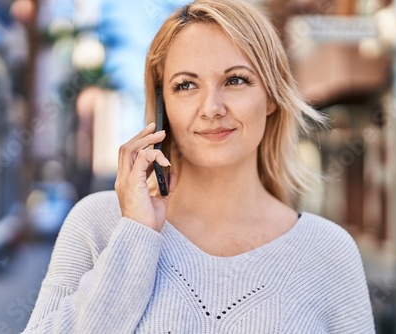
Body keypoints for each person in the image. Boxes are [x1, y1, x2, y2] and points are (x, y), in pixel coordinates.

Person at [22, 0, 375, 333]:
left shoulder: (328, 252)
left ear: (270, 95)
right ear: (162, 106)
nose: (212, 107)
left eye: (235, 80)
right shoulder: (98, 225)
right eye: (186, 85)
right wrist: (136, 235)